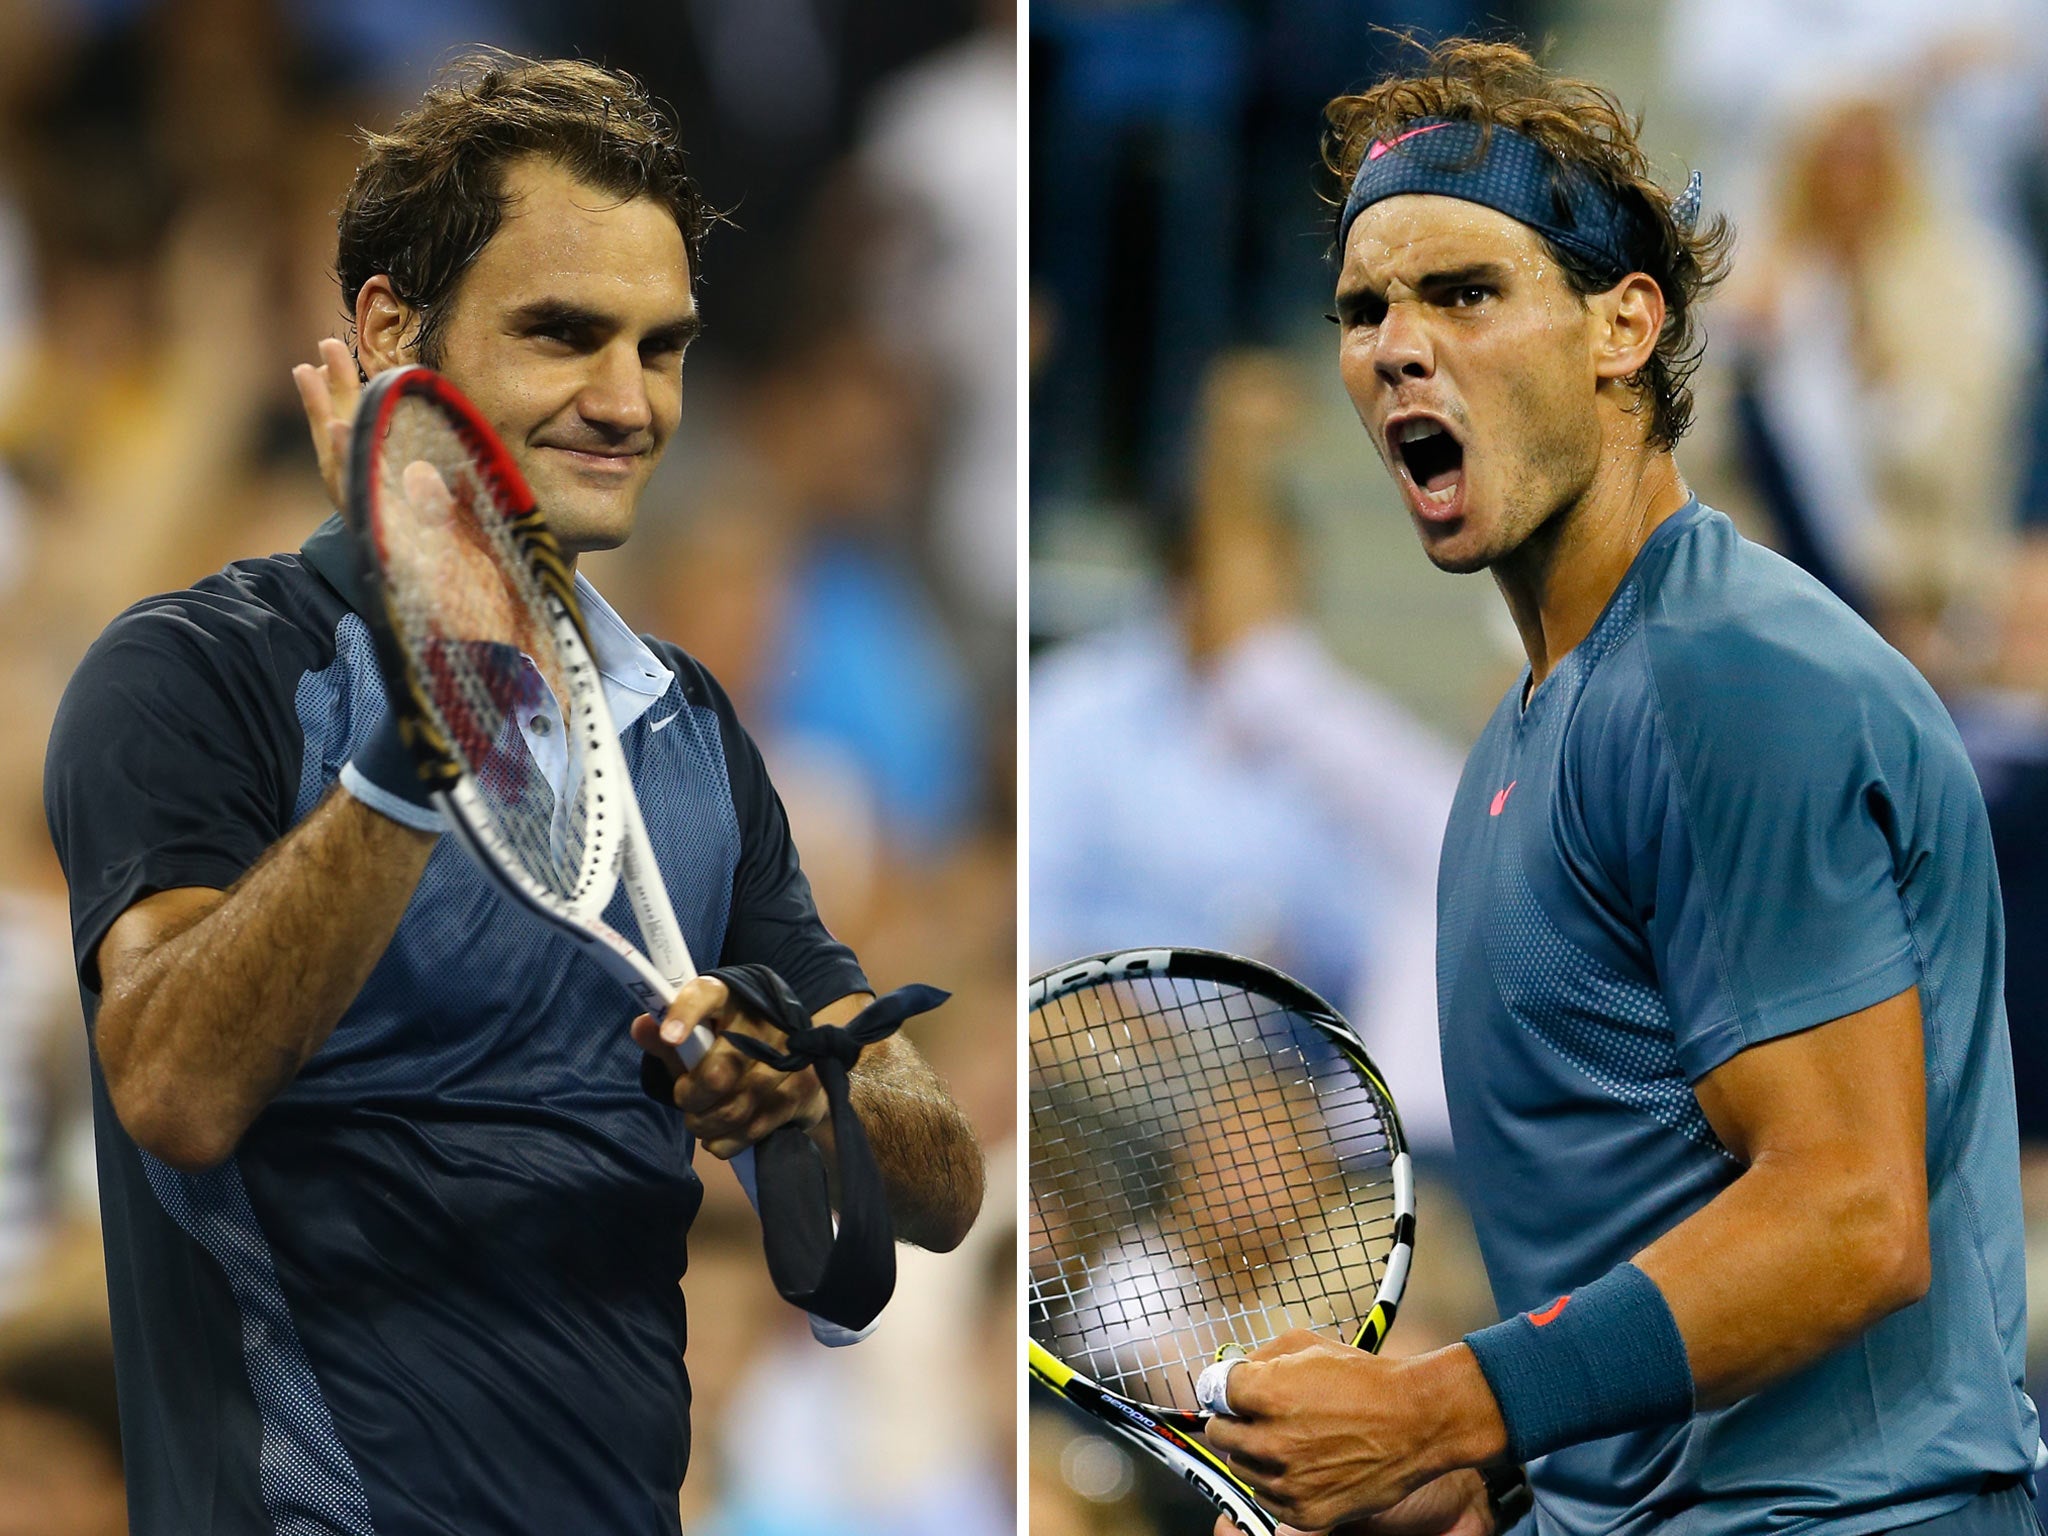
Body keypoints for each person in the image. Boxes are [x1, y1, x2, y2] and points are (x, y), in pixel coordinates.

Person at [40, 53, 984, 1536]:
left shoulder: (690, 731)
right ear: (387, 333)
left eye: (661, 349)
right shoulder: (191, 675)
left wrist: (801, 1084)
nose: (626, 403)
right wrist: (436, 724)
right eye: (563, 334)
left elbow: (937, 1182)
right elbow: (169, 1084)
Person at [1199, 39, 2042, 1536]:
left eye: (1464, 292)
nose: (1397, 342)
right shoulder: (1515, 759)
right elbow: (1644, 1273)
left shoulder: (1735, 670)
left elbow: (1853, 1218)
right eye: (1363, 308)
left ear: (1624, 327)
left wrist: (1439, 1406)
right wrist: (1472, 1482)